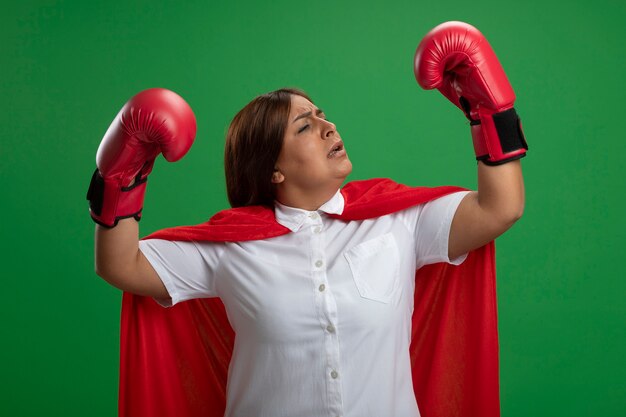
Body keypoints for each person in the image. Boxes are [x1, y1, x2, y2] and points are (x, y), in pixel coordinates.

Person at [89, 21, 527, 417]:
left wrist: (489, 111)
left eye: (321, 114)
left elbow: (499, 207)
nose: (328, 126)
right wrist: (119, 176)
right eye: (304, 126)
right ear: (273, 169)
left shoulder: (399, 221)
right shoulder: (232, 249)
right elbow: (120, 264)